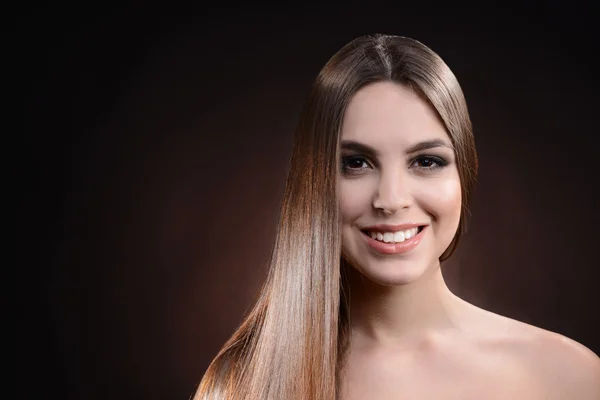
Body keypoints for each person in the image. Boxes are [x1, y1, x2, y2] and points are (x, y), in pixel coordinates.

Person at [192, 34, 600, 400]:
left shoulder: (570, 378)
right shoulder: (242, 385)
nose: (390, 199)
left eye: (426, 161)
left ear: (465, 172)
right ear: (312, 182)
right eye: (355, 163)